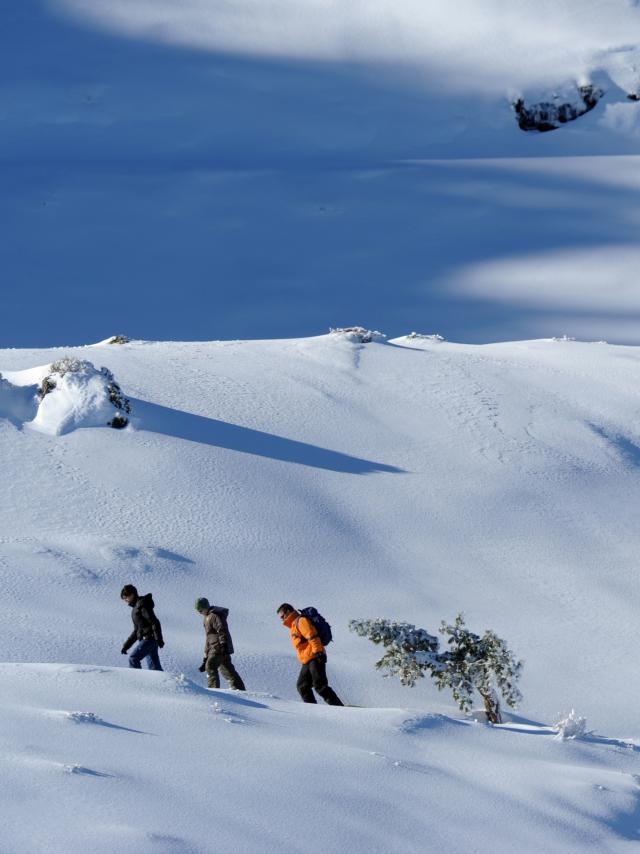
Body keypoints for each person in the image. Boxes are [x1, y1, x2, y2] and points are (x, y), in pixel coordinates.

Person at [277, 602, 343, 706]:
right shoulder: (294, 625)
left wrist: (318, 652)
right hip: (307, 659)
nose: (282, 619)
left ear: (288, 611)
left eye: (282, 616)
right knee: (302, 686)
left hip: (315, 656)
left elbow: (312, 635)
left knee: (320, 686)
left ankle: (340, 709)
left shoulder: (301, 621)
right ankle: (312, 710)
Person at [195, 597, 246, 690]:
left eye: (201, 610)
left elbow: (222, 629)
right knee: (226, 669)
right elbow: (208, 638)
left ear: (206, 607)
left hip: (219, 647)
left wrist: (223, 645)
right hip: (214, 647)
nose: (199, 612)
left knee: (210, 666)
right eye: (198, 610)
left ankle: (213, 690)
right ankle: (239, 689)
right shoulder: (206, 618)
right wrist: (205, 657)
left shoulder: (214, 616)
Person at [120, 584, 164, 670]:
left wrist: (159, 639)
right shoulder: (136, 608)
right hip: (149, 640)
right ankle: (164, 682)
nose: (125, 600)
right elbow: (136, 630)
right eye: (124, 599)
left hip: (149, 639)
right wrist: (126, 646)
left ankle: (136, 681)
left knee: (133, 658)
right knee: (154, 667)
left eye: (126, 598)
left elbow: (154, 621)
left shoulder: (142, 605)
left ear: (132, 594)